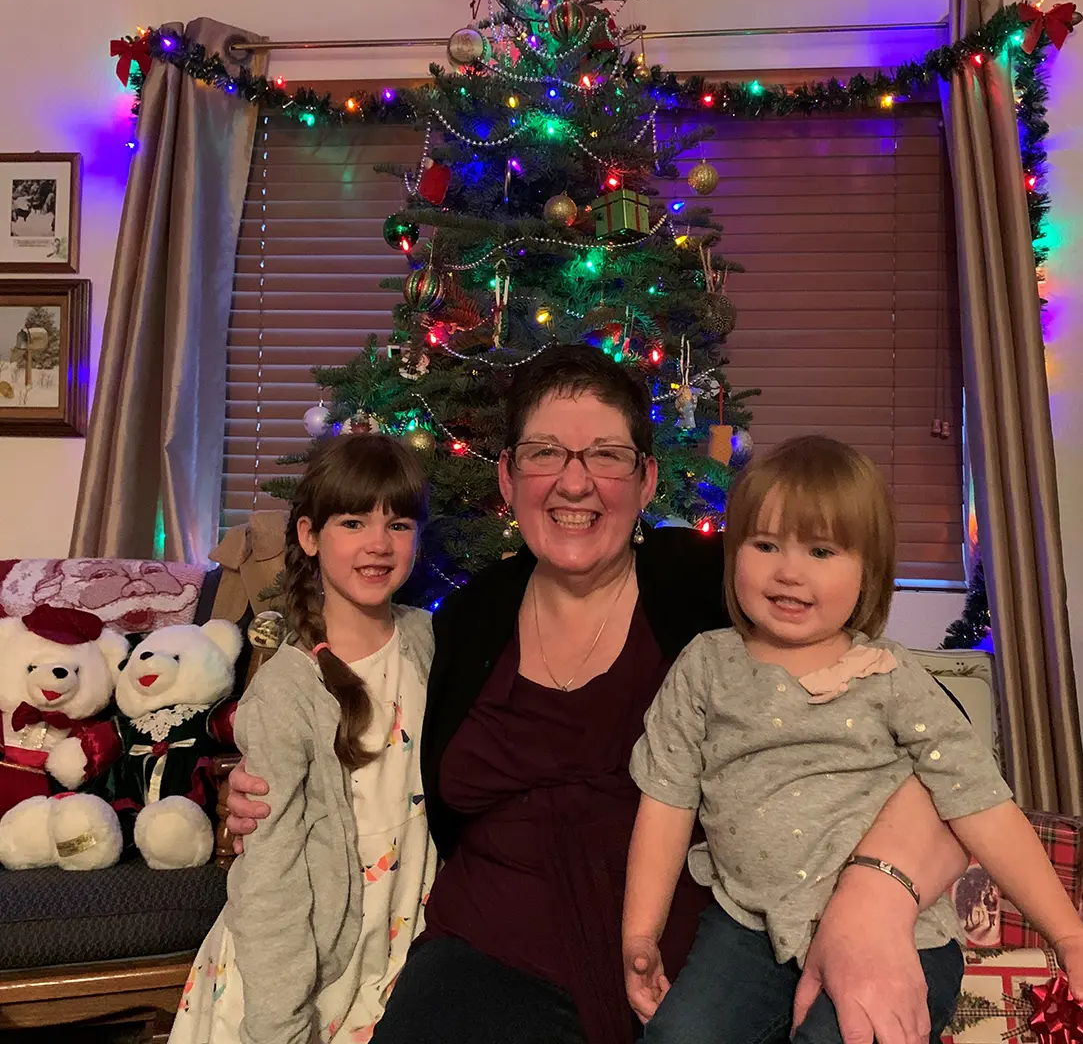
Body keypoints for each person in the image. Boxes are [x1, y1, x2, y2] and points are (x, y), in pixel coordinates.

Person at [227, 346, 973, 1044]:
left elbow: (930, 741)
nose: (574, 482)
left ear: (646, 481)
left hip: (694, 974)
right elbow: (366, 699)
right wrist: (268, 784)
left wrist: (876, 899)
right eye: (546, 453)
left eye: (606, 456)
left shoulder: (716, 587)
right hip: (485, 958)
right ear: (508, 477)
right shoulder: (468, 616)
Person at [623, 435, 1083, 1044]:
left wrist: (1068, 933)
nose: (789, 571)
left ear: (868, 569)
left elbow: (982, 806)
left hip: (903, 939)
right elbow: (666, 801)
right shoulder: (704, 667)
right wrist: (640, 934)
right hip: (746, 933)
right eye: (765, 545)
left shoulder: (891, 677)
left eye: (821, 550)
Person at [169, 433, 438, 1044]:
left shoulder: (428, 644)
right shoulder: (287, 692)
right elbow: (271, 875)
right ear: (311, 537)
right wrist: (281, 1024)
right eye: (352, 522)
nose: (378, 544)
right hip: (295, 973)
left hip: (398, 951)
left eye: (398, 525)